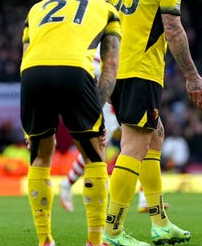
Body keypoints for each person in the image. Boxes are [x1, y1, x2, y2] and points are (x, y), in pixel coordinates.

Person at [102, 0, 202, 246]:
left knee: (155, 134)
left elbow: (105, 21)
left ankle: (160, 222)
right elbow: (173, 28)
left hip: (117, 66)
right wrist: (193, 76)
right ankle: (112, 228)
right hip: (141, 68)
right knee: (134, 144)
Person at [20, 0, 124, 246]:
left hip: (32, 75)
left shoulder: (37, 8)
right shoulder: (105, 9)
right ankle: (95, 243)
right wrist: (99, 107)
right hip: (74, 72)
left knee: (40, 156)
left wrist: (30, 121)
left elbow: (26, 57)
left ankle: (44, 243)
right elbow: (111, 65)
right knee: (94, 154)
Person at [58, 49, 167, 213]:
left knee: (143, 140)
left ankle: (144, 198)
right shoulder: (111, 32)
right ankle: (67, 184)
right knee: (100, 145)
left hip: (120, 86)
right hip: (108, 89)